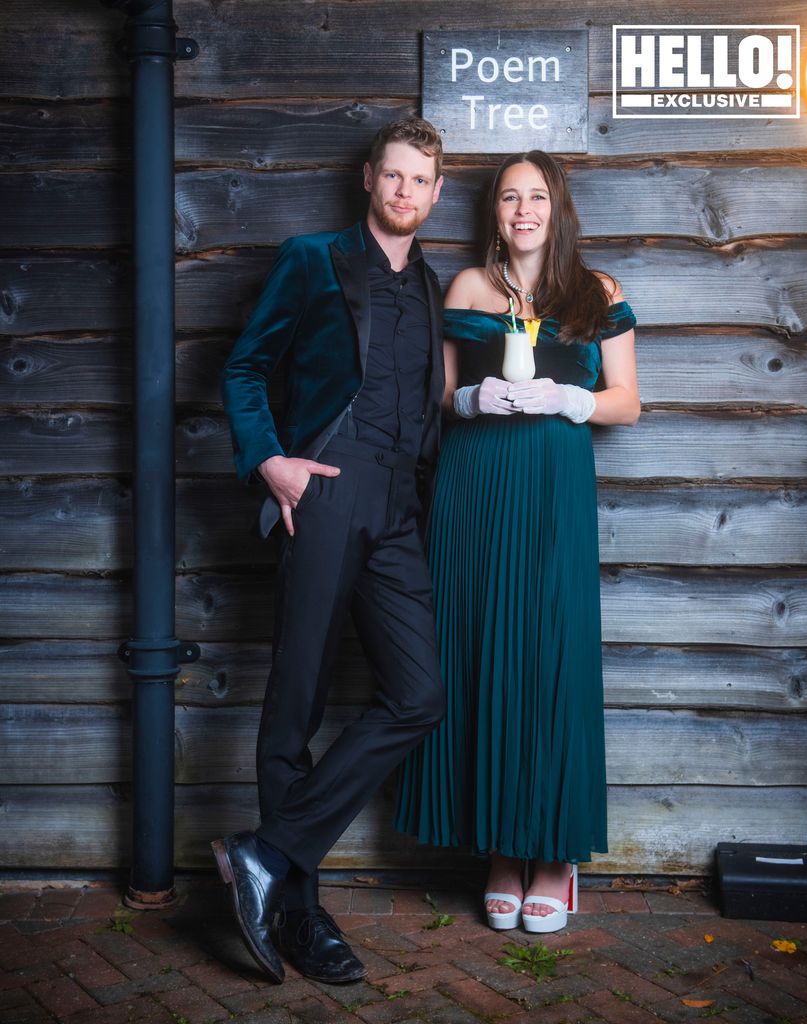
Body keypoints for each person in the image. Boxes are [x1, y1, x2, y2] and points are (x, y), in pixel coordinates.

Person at [213, 117, 447, 983]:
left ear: (434, 192)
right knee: (297, 701)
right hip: (323, 487)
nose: (404, 193)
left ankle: (267, 858)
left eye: (420, 181)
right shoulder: (313, 258)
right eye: (393, 176)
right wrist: (269, 462)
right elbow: (243, 368)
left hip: (396, 508)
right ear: (367, 179)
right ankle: (300, 916)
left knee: (419, 694)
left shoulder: (429, 285)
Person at [395, 150, 640, 934]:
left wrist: (571, 397)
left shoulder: (597, 293)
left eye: (536, 196)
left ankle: (557, 855)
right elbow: (434, 396)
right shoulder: (466, 288)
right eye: (509, 197)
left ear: (556, 207)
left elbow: (626, 403)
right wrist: (471, 396)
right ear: (492, 210)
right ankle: (500, 850)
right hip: (474, 485)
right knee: (479, 653)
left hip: (551, 484)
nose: (523, 209)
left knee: (550, 656)